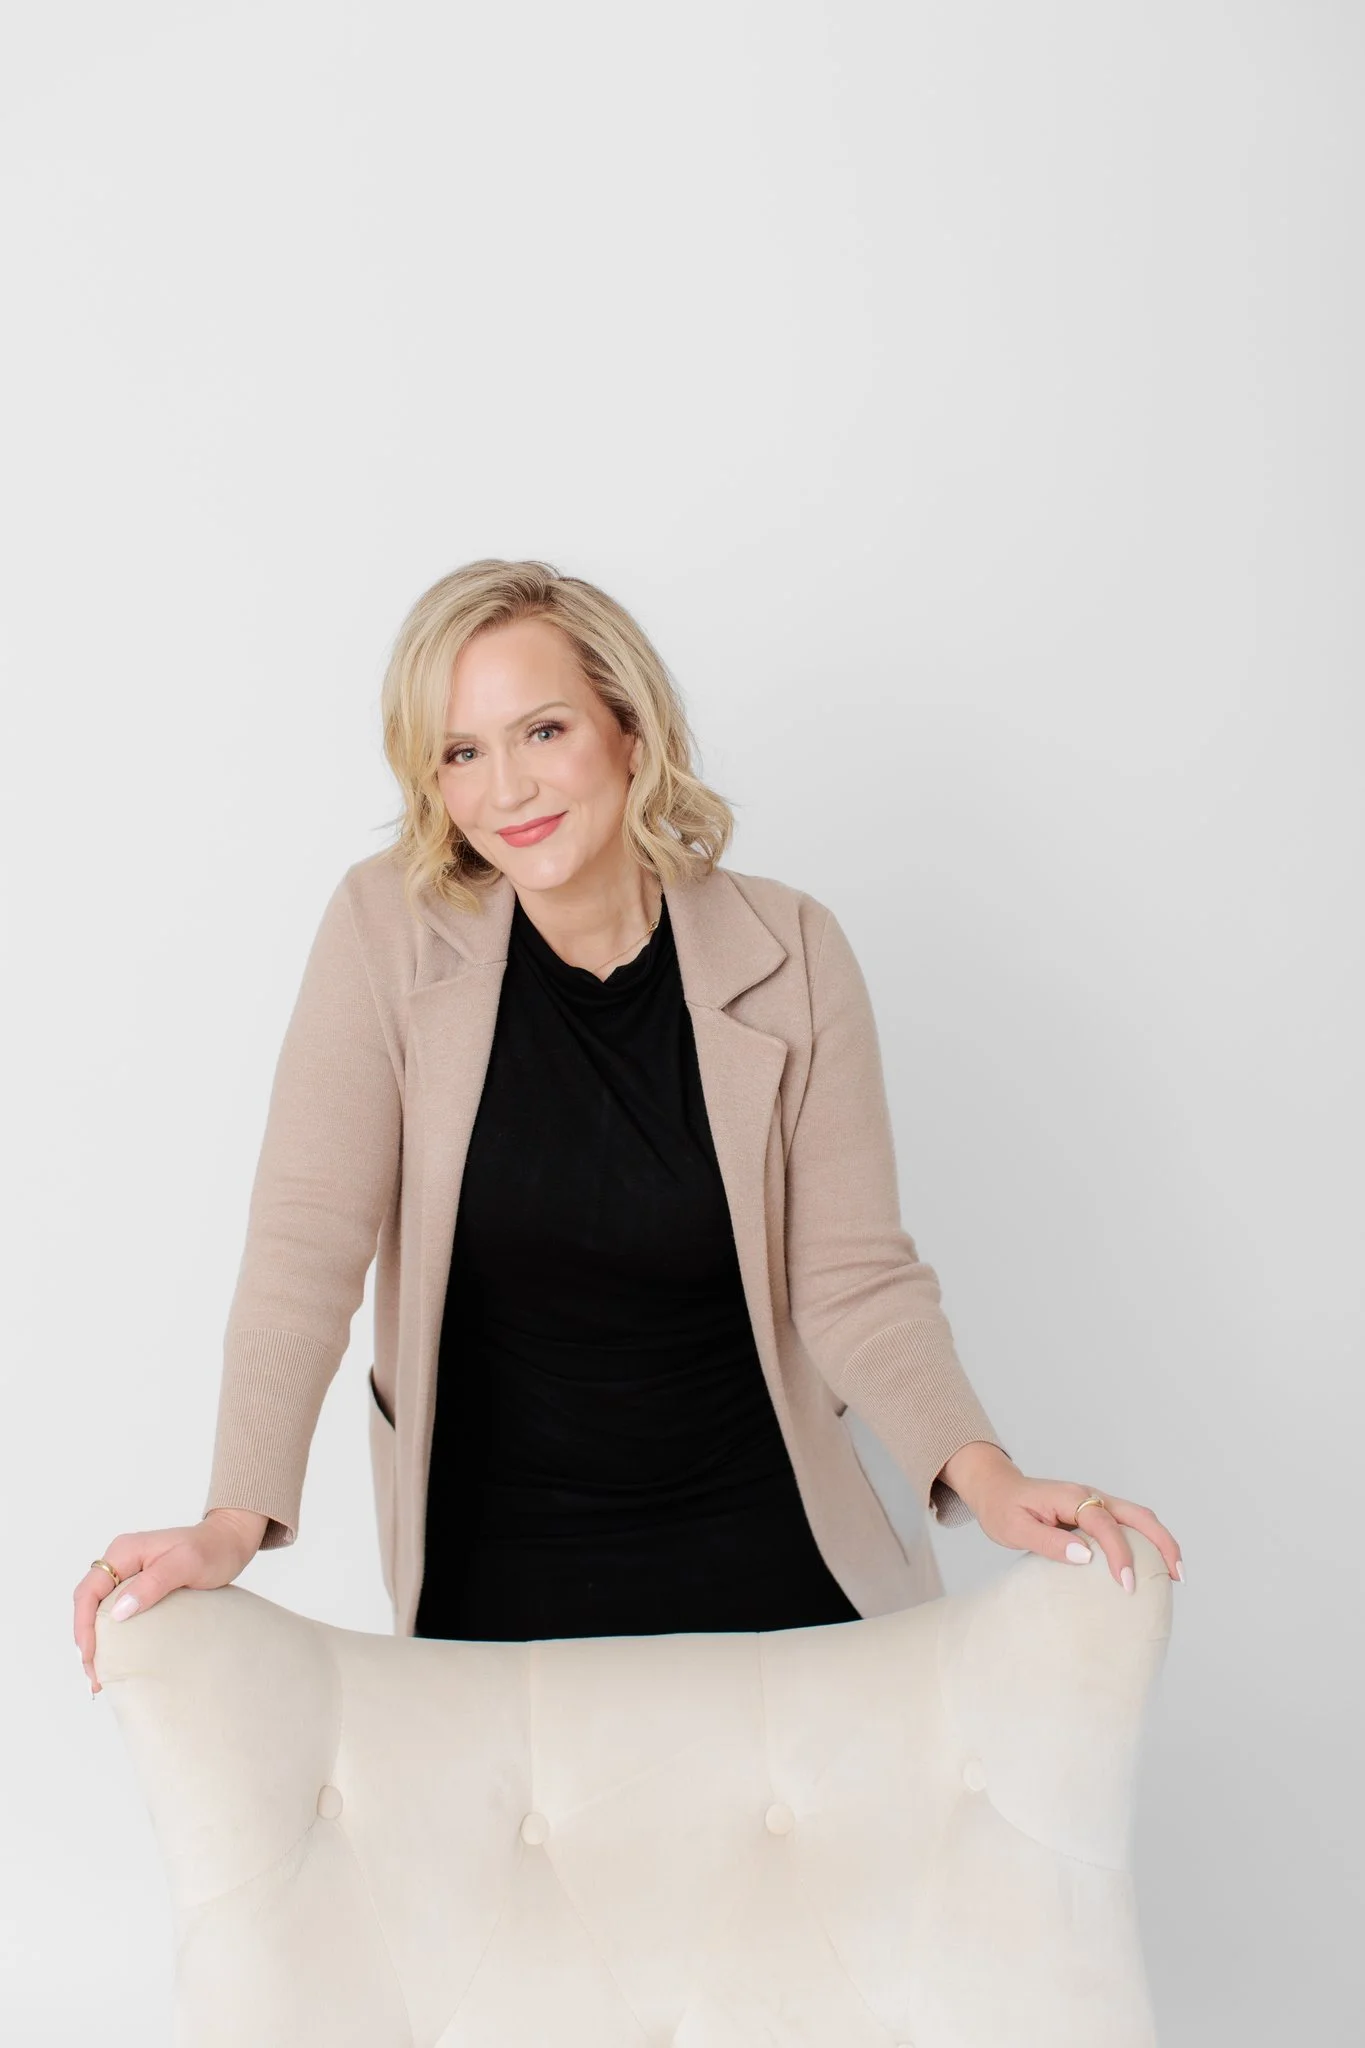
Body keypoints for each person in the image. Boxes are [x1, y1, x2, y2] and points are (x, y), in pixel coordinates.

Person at [74, 559, 1183, 1691]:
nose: (507, 788)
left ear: (631, 733)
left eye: (543, 730)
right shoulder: (386, 933)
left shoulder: (792, 950)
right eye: (462, 751)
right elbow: (305, 1246)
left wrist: (988, 1479)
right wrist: (232, 1517)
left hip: (774, 1576)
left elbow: (855, 1275)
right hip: (497, 1587)